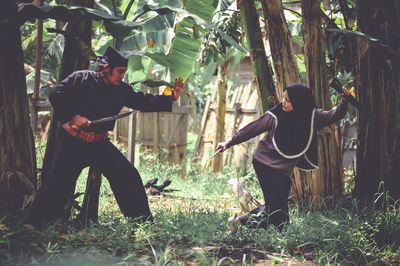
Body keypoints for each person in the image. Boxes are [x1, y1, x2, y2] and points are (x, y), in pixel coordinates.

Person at [25, 46, 183, 230]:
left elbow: (143, 101)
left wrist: (170, 98)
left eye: (124, 72)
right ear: (107, 68)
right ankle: (34, 224)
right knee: (57, 183)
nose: (122, 75)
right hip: (73, 144)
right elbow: (56, 94)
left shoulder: (122, 90)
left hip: (99, 145)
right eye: (120, 71)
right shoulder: (80, 79)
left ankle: (143, 225)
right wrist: (73, 116)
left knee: (128, 176)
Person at [217, 83, 350, 231]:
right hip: (264, 164)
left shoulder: (312, 116)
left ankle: (239, 222)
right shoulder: (275, 115)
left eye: (288, 100)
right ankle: (268, 231)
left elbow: (335, 115)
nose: (283, 103)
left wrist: (344, 102)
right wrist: (228, 143)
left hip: (282, 172)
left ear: (299, 102)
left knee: (274, 208)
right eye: (283, 98)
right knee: (279, 215)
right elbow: (252, 129)